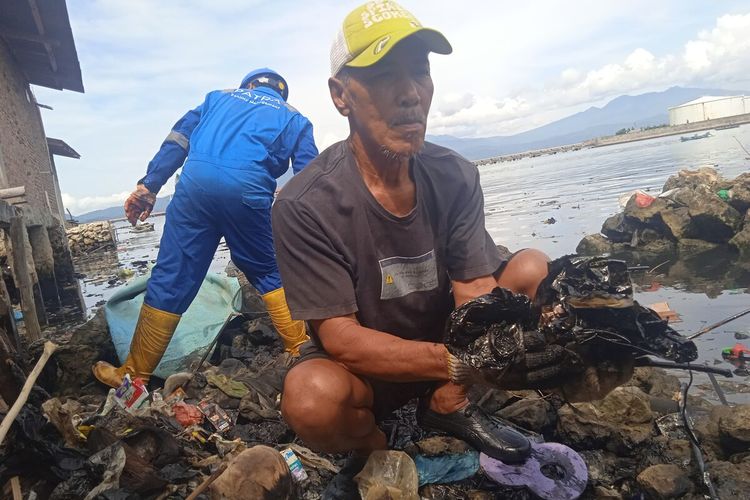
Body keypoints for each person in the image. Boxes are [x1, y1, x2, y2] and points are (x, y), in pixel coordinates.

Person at [271, 0, 563, 470]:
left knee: (533, 271)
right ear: (340, 95)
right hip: (367, 370)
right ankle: (377, 450)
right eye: (385, 75)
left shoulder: (456, 175)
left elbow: (474, 291)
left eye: (420, 71)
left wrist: (512, 348)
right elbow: (342, 338)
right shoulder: (303, 205)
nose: (410, 93)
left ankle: (448, 404)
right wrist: (461, 361)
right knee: (311, 398)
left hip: (446, 346)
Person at [93, 68, 318, 388]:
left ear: (249, 85)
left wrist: (149, 185)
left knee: (171, 276)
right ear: (280, 93)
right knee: (269, 271)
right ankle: (300, 351)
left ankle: (133, 375)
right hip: (249, 193)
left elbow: (177, 140)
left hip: (194, 189)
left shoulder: (217, 98)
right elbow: (310, 174)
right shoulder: (294, 118)